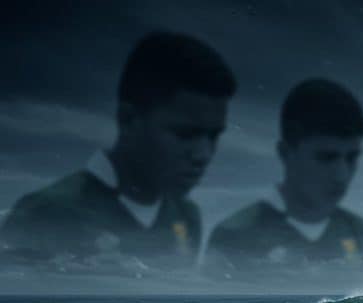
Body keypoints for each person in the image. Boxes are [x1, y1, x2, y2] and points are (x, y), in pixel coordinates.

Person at [0, 31, 235, 274]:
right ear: (129, 119)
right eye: (185, 134)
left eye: (213, 136)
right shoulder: (47, 213)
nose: (203, 154)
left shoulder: (186, 216)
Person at [204, 79, 363, 282]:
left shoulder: (359, 231)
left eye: (351, 158)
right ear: (286, 153)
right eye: (326, 158)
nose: (342, 175)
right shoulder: (234, 235)